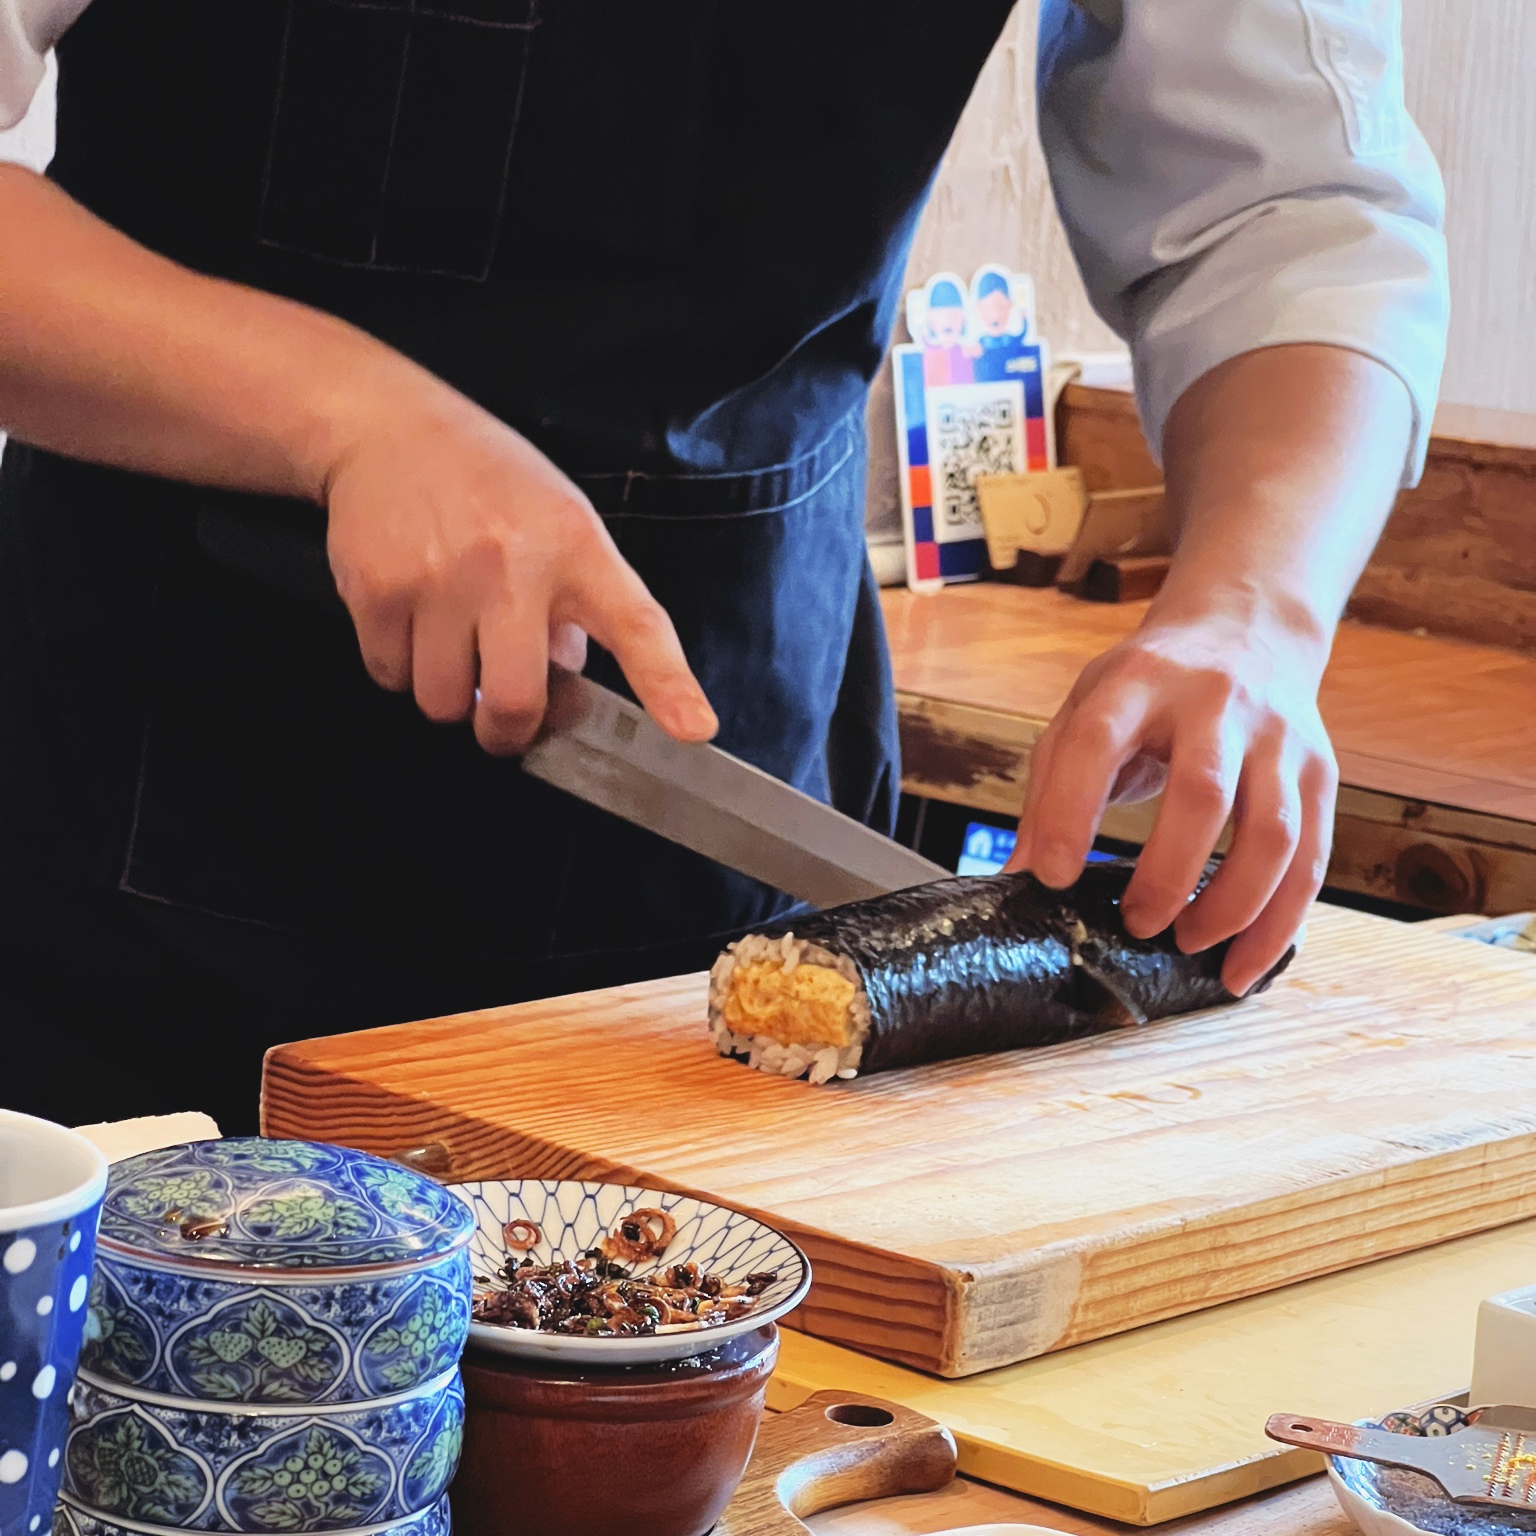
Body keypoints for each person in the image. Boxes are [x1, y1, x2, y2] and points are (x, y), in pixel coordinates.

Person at [0, 1, 1447, 1134]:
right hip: (138, 837)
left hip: (748, 774)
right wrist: (344, 420)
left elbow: (1288, 209)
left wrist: (1252, 609)